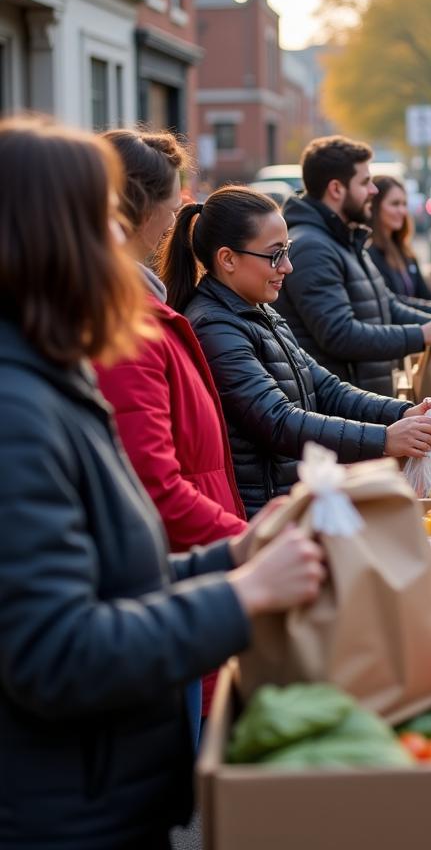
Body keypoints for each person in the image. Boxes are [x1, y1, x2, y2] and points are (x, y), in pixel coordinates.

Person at [0, 118, 325, 848]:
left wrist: (234, 557)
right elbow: (57, 652)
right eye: (106, 225)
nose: (132, 244)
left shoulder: (50, 370)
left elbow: (113, 577)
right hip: (63, 815)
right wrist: (243, 593)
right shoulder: (16, 408)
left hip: (97, 792)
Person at [160, 185, 431, 516]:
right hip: (261, 515)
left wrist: (403, 413)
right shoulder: (215, 327)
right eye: (275, 254)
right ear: (228, 259)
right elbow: (278, 421)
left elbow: (325, 387)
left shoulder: (259, 310)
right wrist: (384, 438)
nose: (287, 267)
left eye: (287, 250)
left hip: (289, 502)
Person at [93, 129, 248, 728]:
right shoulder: (129, 324)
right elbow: (153, 486)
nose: (181, 211)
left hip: (187, 563)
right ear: (140, 207)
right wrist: (249, 542)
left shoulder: (145, 308)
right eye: (176, 198)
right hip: (177, 574)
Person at [276, 136, 431, 397]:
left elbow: (385, 305)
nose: (373, 191)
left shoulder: (344, 239)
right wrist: (421, 334)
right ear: (336, 189)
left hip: (360, 403)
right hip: (341, 411)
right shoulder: (313, 247)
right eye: (365, 182)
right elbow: (340, 334)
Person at [367, 174, 431, 311]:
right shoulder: (369, 253)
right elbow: (391, 305)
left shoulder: (405, 252)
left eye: (404, 204)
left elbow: (425, 299)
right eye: (395, 204)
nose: (402, 211)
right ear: (375, 207)